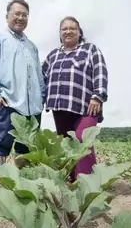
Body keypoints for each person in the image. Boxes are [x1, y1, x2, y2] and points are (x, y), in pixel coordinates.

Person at [42, 16, 108, 182]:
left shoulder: (90, 50)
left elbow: (100, 72)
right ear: (60, 33)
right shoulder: (53, 55)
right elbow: (41, 78)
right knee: (66, 145)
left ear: (79, 32)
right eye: (64, 29)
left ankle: (86, 183)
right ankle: (71, 180)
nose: (68, 31)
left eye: (72, 28)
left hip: (86, 106)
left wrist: (98, 96)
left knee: (81, 142)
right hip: (61, 107)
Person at [0, 0, 45, 169]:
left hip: (33, 107)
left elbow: (39, 75)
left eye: (25, 15)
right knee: (0, 146)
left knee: (27, 148)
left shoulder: (32, 46)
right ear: (7, 16)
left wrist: (42, 97)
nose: (21, 18)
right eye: (17, 14)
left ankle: (22, 188)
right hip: (9, 102)